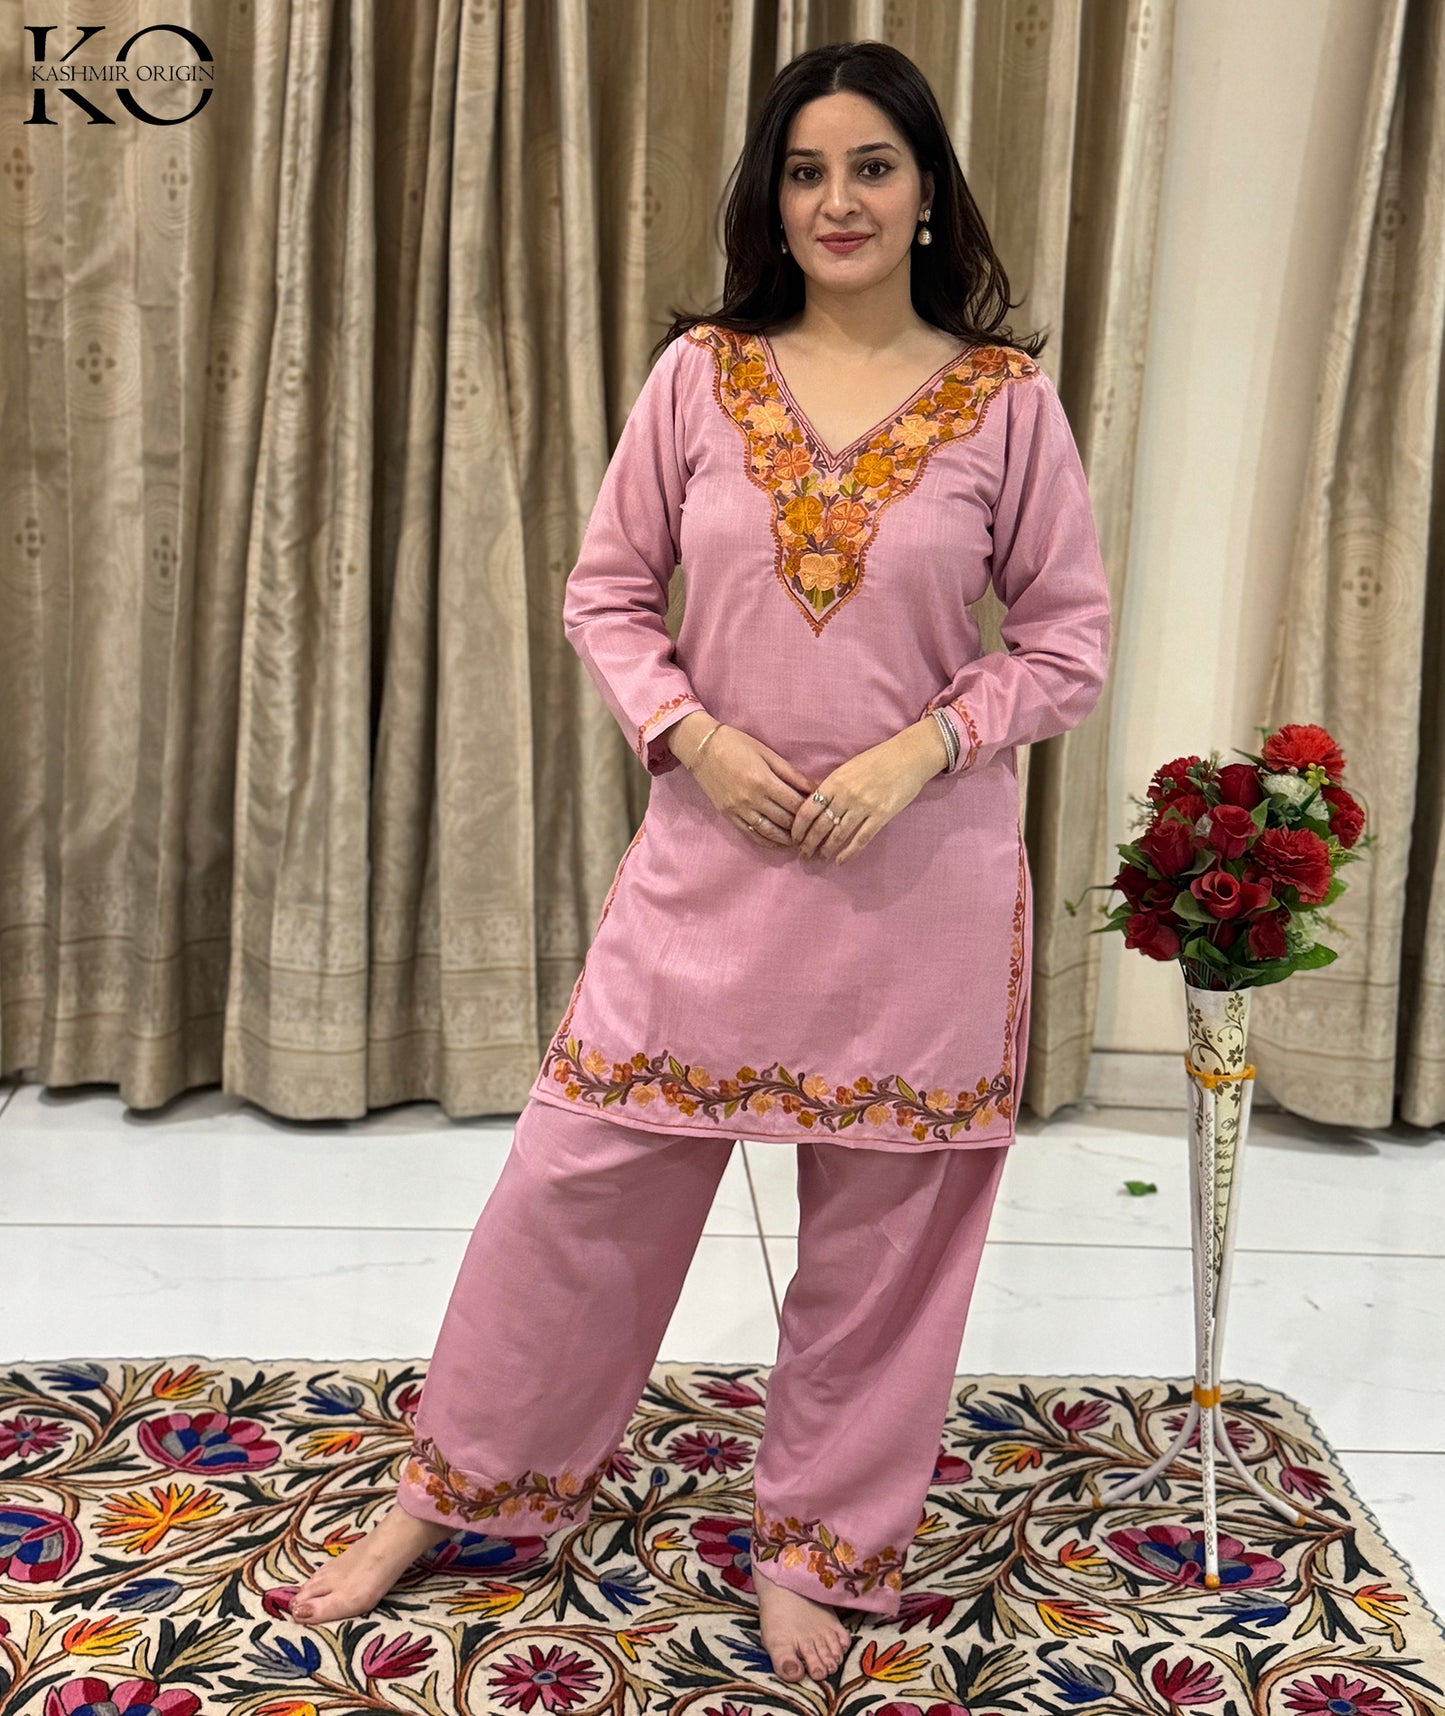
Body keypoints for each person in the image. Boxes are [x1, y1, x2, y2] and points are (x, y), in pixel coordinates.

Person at [282, 38, 1112, 1689]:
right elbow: (606, 596)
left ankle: (819, 1546)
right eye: (804, 172)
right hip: (707, 868)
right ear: (770, 200)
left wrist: (920, 748)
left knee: (887, 1237)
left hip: (916, 889)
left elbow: (1066, 643)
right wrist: (693, 736)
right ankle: (454, 1488)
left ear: (927, 192)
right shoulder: (699, 377)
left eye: (870, 166)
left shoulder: (1004, 401)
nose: (836, 200)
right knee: (572, 1192)